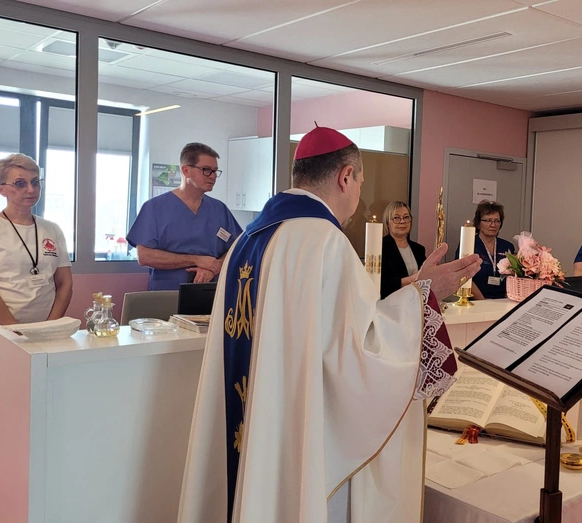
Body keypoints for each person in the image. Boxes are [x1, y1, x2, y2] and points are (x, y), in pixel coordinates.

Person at [178, 127, 481, 523]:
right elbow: (363, 352)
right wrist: (425, 297)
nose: (358, 194)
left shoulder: (246, 240)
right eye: (360, 182)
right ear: (345, 177)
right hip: (296, 435)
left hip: (255, 422)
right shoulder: (324, 242)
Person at [127, 142, 242, 291]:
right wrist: (196, 260)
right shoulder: (155, 208)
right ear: (186, 171)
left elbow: (237, 246)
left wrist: (214, 267)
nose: (213, 176)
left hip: (210, 293)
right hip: (168, 293)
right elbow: (144, 257)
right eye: (206, 170)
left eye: (215, 171)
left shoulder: (219, 210)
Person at [0, 154, 72, 326]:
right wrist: (15, 330)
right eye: (20, 183)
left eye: (35, 182)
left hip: (43, 329)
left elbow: (65, 283)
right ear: (1, 190)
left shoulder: (52, 229)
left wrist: (49, 327)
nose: (31, 189)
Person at [457, 200, 516, 300]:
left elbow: (513, 277)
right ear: (478, 223)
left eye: (497, 221)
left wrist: (507, 300)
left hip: (503, 300)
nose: (493, 225)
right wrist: (483, 301)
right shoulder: (469, 245)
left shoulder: (507, 246)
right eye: (488, 220)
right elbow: (462, 275)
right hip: (476, 300)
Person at [380, 201, 426, 299]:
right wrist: (410, 280)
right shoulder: (380, 247)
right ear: (387, 223)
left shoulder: (419, 249)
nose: (402, 221)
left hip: (417, 301)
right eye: (396, 218)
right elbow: (380, 284)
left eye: (406, 217)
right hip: (391, 301)